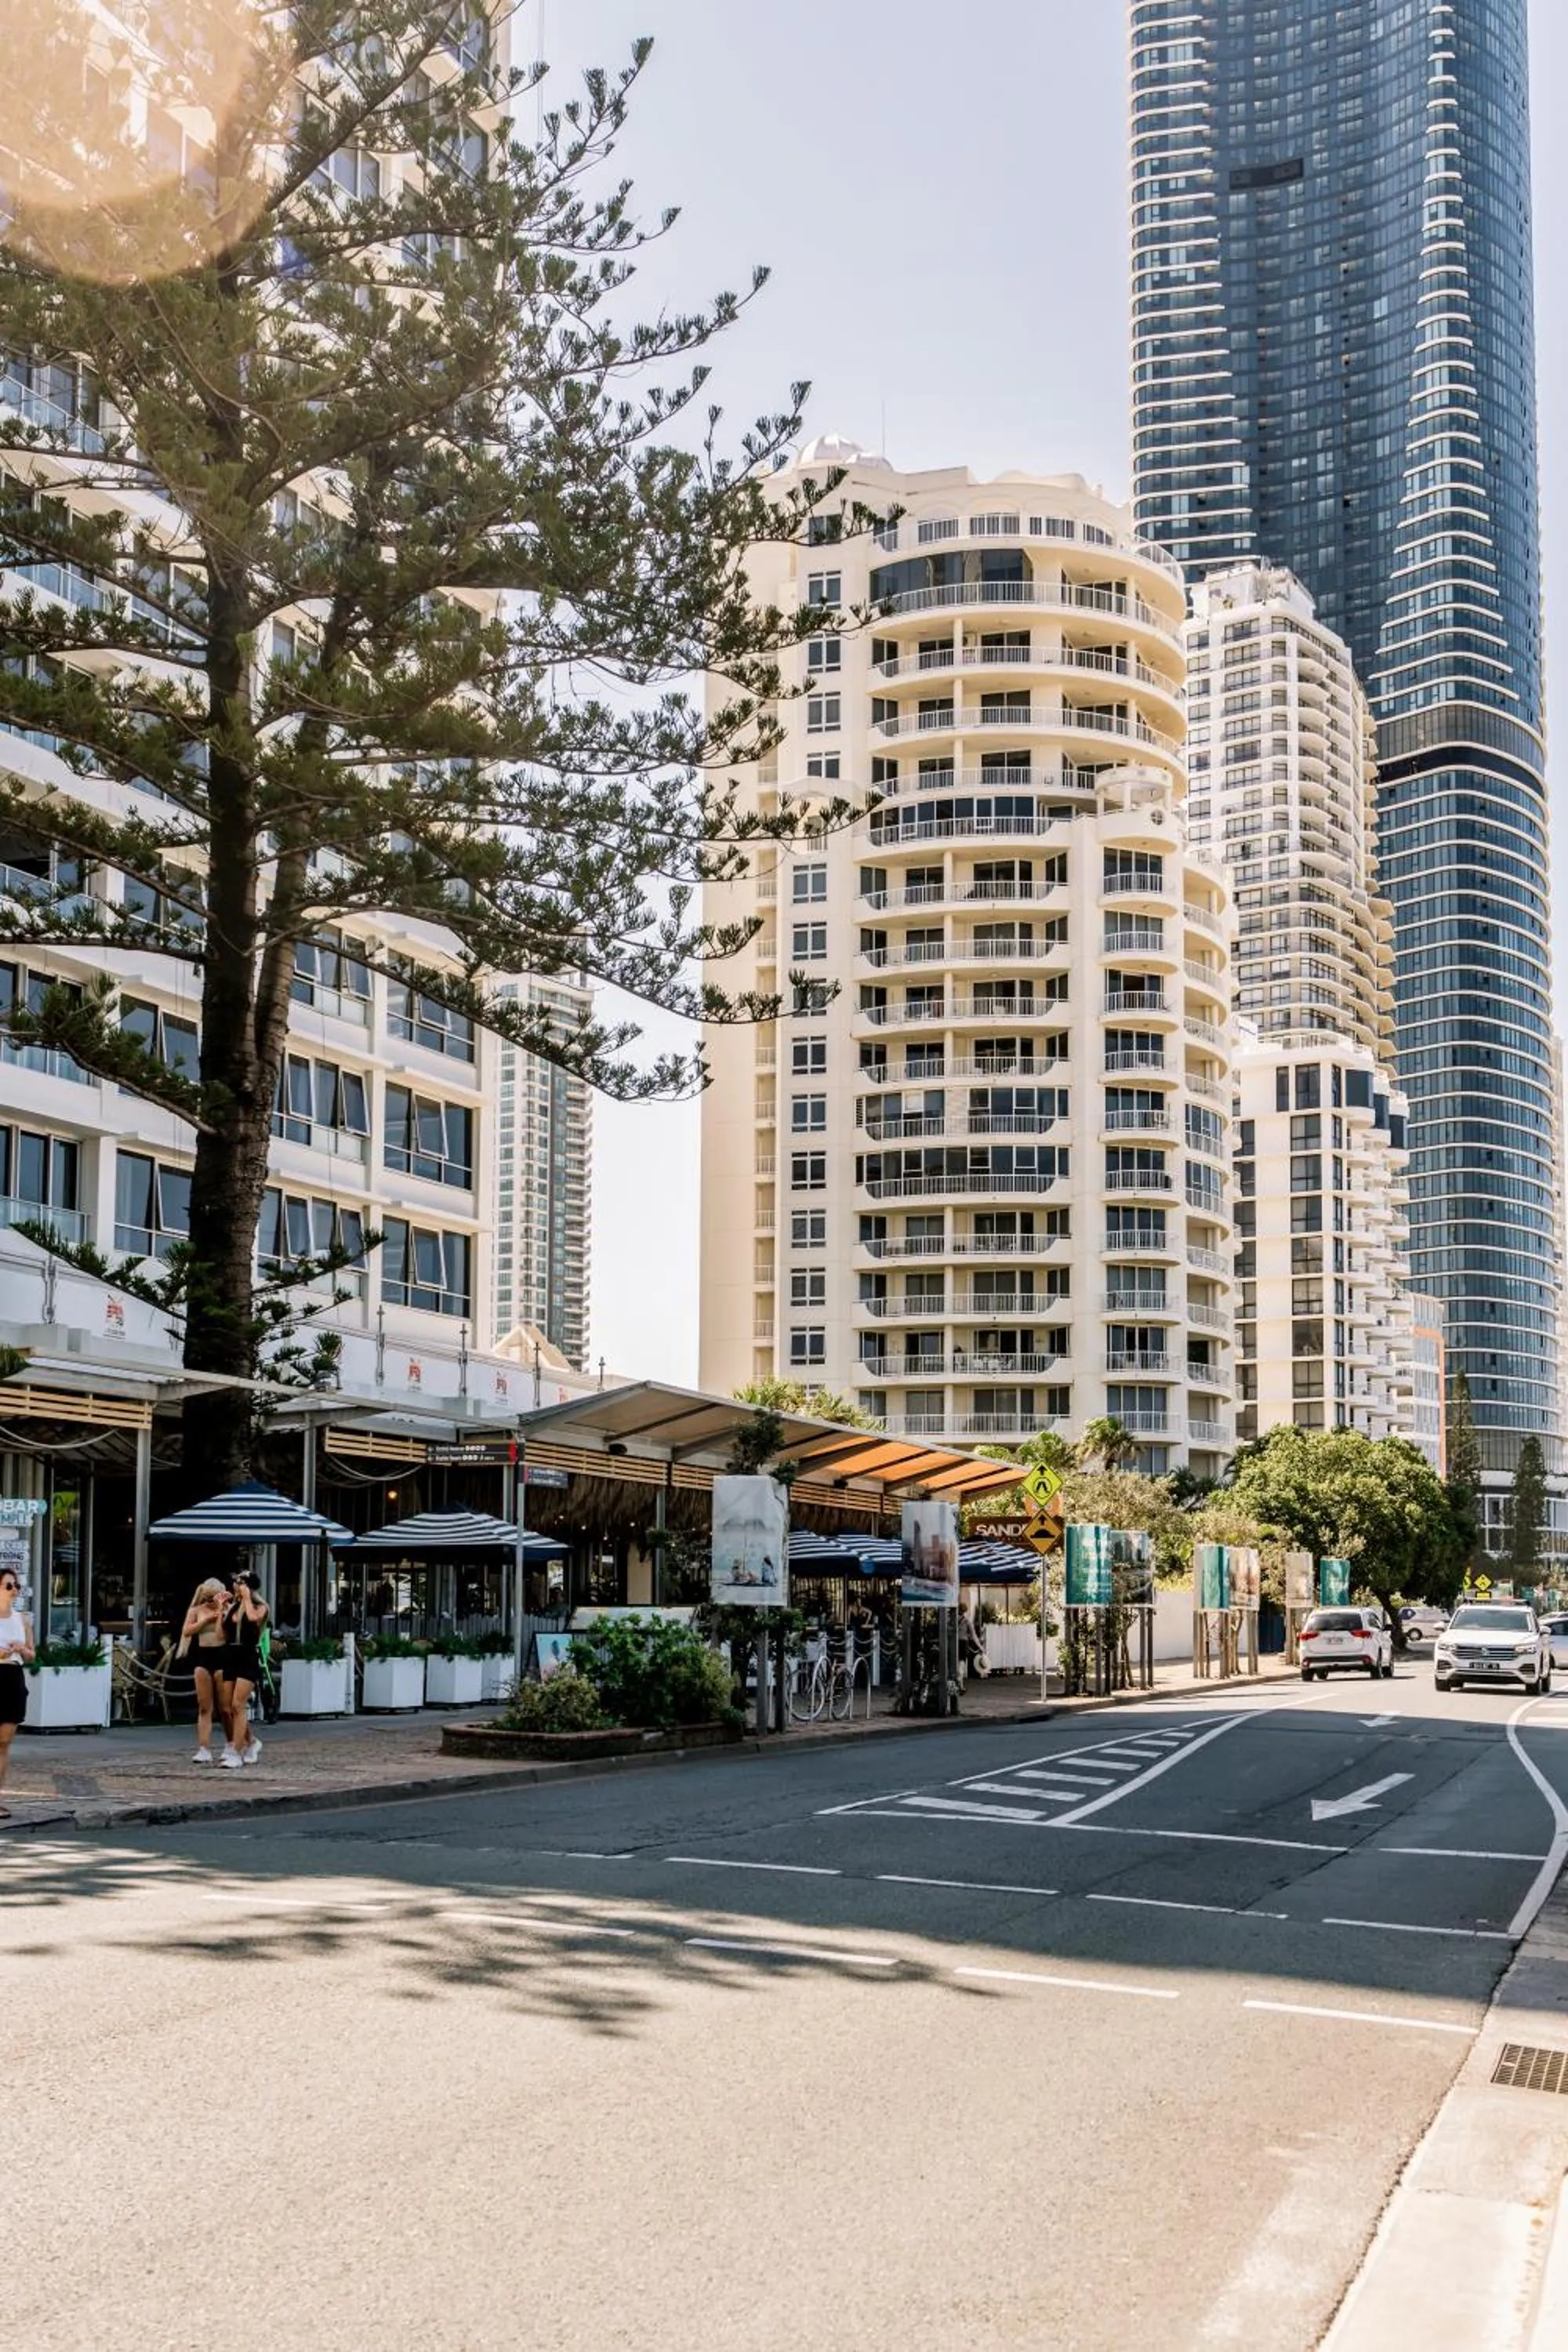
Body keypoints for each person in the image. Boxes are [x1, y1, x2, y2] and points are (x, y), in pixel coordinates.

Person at [176, 1577, 230, 1765]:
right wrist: (206, 1618)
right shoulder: (196, 1610)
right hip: (202, 1657)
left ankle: (231, 1743)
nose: (212, 1602)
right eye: (208, 1598)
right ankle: (204, 1748)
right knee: (205, 1707)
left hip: (222, 1656)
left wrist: (223, 1609)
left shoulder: (227, 1609)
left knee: (225, 1708)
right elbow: (187, 1631)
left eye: (214, 1598)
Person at [220, 1570, 269, 1769]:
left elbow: (252, 1619)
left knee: (238, 1705)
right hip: (231, 1655)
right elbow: (223, 1633)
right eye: (236, 1582)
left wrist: (248, 1598)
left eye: (241, 1583)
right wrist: (221, 1612)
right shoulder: (233, 1607)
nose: (236, 1586)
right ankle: (252, 1741)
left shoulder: (260, 1607)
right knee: (227, 1707)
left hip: (247, 1656)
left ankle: (236, 1752)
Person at [0, 1565, 36, 1817]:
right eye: (9, 1585)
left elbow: (33, 1655)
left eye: (16, 1586)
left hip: (13, 1677)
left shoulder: (21, 1619)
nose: (14, 1590)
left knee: (4, 1743)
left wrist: (22, 1650)